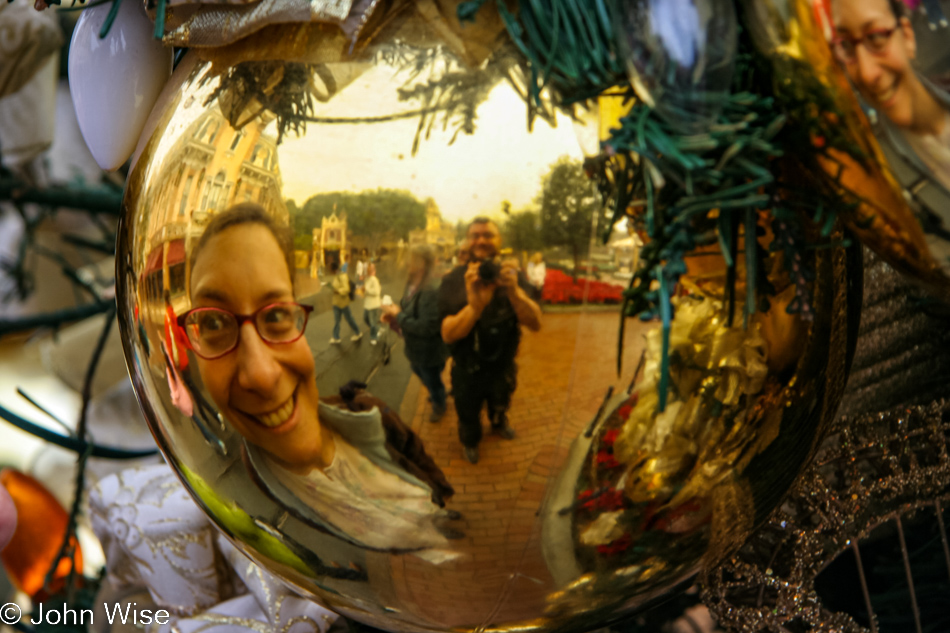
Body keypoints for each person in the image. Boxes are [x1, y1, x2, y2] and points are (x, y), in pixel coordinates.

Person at [180, 203, 459, 557]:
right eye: (214, 323)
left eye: (277, 314)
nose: (262, 376)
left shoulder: (367, 411)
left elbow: (415, 454)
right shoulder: (249, 521)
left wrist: (442, 494)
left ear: (298, 317)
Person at [438, 217, 542, 464]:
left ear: (499, 241)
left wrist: (515, 293)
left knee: (501, 401)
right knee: (468, 413)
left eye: (488, 235)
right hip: (467, 368)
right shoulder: (453, 281)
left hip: (503, 366)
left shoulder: (511, 278)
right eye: (475, 235)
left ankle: (498, 422)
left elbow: (536, 323)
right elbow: (447, 334)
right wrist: (475, 307)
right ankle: (471, 441)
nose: (481, 240)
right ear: (467, 240)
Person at [832, 0, 950, 191]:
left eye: (876, 36)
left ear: (907, 36)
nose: (867, 74)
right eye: (846, 45)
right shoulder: (879, 177)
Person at [383, 245, 450, 424]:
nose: (406, 263)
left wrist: (399, 316)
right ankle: (436, 391)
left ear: (423, 264)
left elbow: (427, 327)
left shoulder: (430, 290)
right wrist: (393, 314)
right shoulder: (411, 283)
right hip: (416, 348)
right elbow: (405, 305)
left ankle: (439, 402)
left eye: (412, 259)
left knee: (431, 377)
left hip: (429, 351)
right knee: (417, 370)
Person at [329, 259, 361, 344]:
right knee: (337, 321)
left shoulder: (342, 276)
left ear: (334, 270)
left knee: (349, 319)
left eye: (330, 270)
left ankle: (358, 332)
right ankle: (336, 337)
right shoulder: (336, 276)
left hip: (343, 303)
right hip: (336, 302)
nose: (330, 271)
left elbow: (346, 289)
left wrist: (338, 291)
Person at [362, 262, 382, 345]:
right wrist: (362, 291)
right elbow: (366, 290)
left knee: (372, 321)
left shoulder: (374, 279)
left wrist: (366, 290)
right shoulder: (368, 279)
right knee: (366, 319)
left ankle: (374, 337)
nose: (368, 271)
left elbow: (377, 292)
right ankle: (377, 329)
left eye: (370, 270)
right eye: (368, 269)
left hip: (373, 304)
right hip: (367, 304)